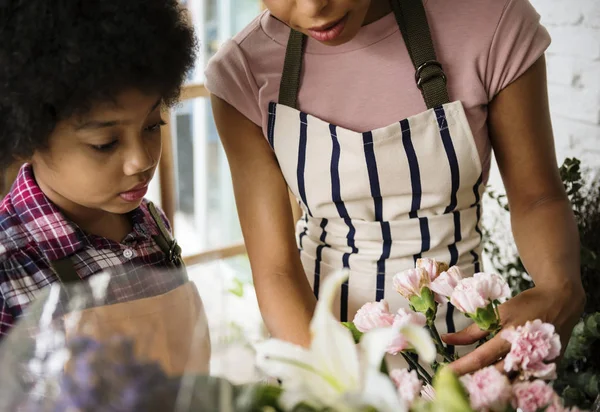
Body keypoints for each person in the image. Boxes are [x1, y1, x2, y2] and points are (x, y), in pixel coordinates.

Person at [206, 0, 585, 375]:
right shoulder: (243, 70)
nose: (315, 6)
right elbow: (275, 269)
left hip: (468, 352)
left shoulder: (491, 21)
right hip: (318, 350)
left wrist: (560, 287)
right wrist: (338, 386)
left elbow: (538, 197)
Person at [0, 0, 209, 375]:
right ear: (25, 136)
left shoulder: (151, 224)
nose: (140, 160)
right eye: (105, 143)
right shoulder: (8, 266)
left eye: (152, 126)